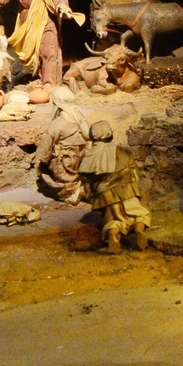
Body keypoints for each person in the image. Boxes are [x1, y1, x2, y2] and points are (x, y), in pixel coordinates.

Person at [80, 120, 150, 251]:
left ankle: (112, 234)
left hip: (107, 197)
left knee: (113, 221)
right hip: (128, 192)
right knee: (140, 215)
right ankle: (139, 230)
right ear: (110, 134)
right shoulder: (123, 151)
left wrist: (93, 197)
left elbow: (87, 185)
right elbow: (135, 173)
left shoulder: (88, 158)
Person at [38, 86, 90, 204]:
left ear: (56, 103)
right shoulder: (80, 117)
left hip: (66, 162)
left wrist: (43, 160)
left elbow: (46, 145)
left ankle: (74, 193)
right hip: (82, 158)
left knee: (44, 167)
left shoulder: (58, 123)